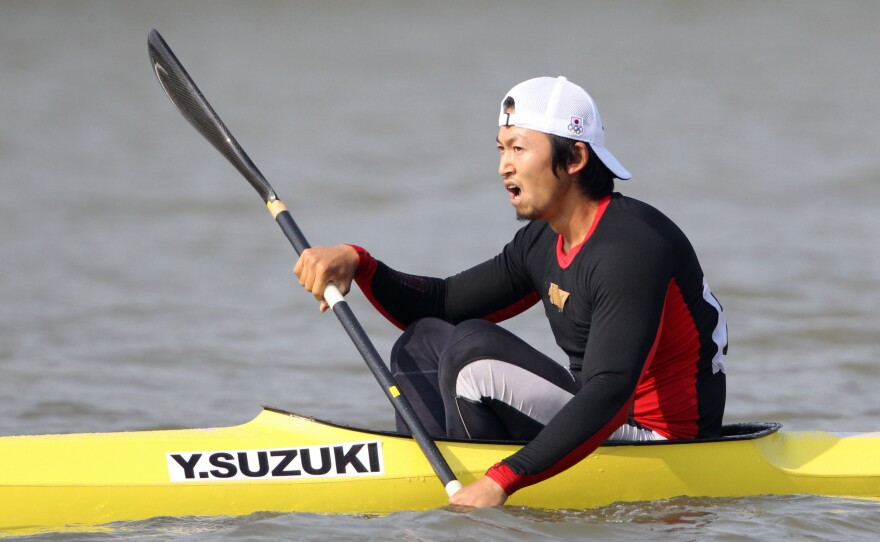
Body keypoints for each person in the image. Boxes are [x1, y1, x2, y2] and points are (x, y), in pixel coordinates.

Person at [294, 76, 728, 508]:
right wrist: (359, 261)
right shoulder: (542, 239)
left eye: (519, 148)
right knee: (422, 341)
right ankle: (434, 481)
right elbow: (440, 304)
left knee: (473, 353)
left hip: (656, 440)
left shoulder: (631, 247)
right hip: (597, 414)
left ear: (575, 157)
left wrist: (504, 478)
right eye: (501, 149)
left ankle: (480, 499)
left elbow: (611, 393)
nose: (504, 165)